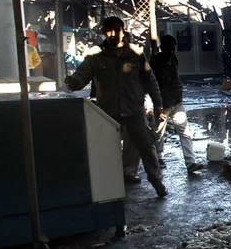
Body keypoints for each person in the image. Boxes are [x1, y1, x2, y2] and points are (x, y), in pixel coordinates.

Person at [65, 17, 168, 197]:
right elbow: (82, 76)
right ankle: (107, 189)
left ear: (123, 30)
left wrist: (158, 105)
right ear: (103, 32)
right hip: (108, 113)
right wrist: (73, 82)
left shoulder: (135, 52)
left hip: (134, 111)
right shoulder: (95, 55)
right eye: (109, 30)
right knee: (106, 151)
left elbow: (150, 79)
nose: (113, 34)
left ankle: (156, 181)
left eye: (117, 30)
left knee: (146, 147)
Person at [151, 34, 206, 175]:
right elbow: (153, 84)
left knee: (185, 132)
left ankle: (190, 163)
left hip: (176, 101)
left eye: (173, 48)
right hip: (163, 103)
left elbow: (175, 78)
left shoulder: (174, 59)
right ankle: (158, 158)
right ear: (162, 47)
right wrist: (157, 106)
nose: (171, 51)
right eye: (169, 48)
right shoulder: (156, 61)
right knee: (158, 133)